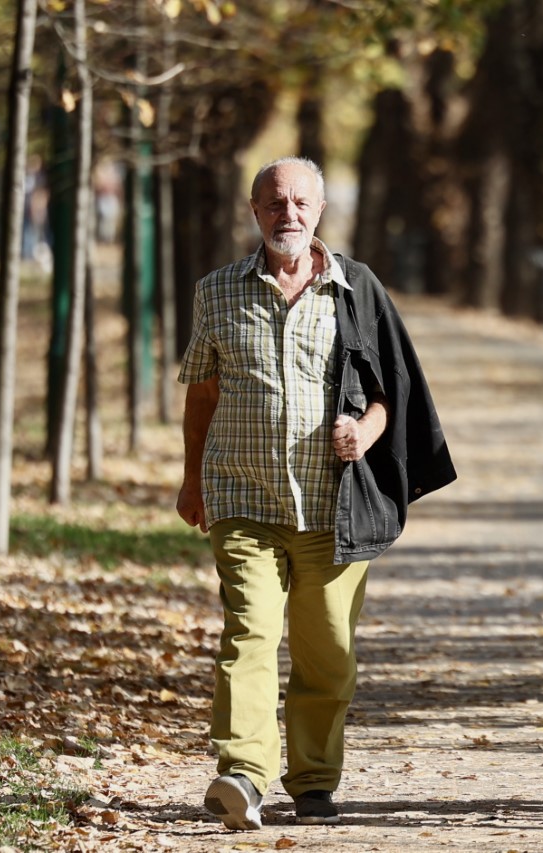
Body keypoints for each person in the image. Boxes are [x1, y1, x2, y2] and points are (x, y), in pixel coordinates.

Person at [176, 156, 456, 830]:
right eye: (274, 203)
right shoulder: (217, 292)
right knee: (249, 631)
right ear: (254, 211)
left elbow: (393, 392)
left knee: (327, 645)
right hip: (243, 498)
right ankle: (242, 771)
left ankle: (313, 778)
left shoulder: (356, 289)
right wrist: (191, 477)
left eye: (300, 202)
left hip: (335, 507)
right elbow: (203, 392)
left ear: (320, 210)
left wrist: (363, 431)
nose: (288, 214)